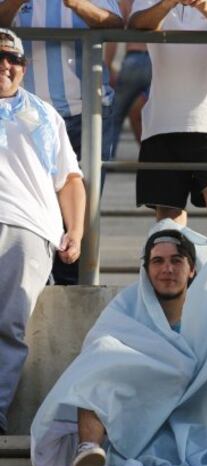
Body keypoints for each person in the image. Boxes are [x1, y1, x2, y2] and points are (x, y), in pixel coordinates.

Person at [31, 221, 207, 466]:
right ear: (146, 270)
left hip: (197, 409)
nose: (167, 268)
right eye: (157, 261)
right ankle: (89, 446)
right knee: (99, 358)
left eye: (177, 260)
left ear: (192, 270)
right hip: (140, 409)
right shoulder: (126, 309)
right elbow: (103, 345)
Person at [0, 0, 124, 285]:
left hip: (87, 112)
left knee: (79, 213)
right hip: (25, 116)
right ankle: (34, 284)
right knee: (28, 205)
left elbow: (117, 25)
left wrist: (76, 4)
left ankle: (68, 290)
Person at [0, 29, 86, 435]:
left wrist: (77, 231)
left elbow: (69, 179)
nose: (5, 65)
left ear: (24, 66)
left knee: (8, 325)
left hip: (28, 229)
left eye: (13, 59)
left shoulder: (45, 114)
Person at [127, 0, 207, 252]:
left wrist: (203, 6)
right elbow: (137, 23)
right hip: (163, 120)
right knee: (168, 213)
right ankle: (174, 285)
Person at [105, 0, 152, 154]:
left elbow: (114, 33)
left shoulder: (128, 2)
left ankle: (107, 158)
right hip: (157, 62)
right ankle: (153, 158)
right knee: (154, 113)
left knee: (116, 114)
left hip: (134, 59)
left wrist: (109, 65)